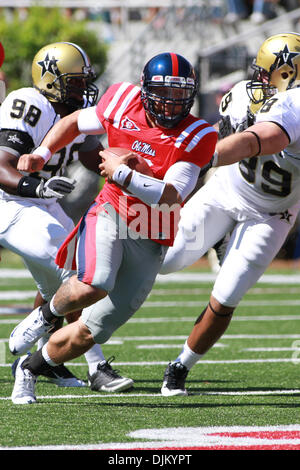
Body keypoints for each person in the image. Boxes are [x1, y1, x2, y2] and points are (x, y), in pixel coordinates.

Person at [9, 52, 218, 404]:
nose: (171, 105)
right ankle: (43, 317)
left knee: (92, 332)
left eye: (180, 96)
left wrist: (123, 172)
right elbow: (75, 122)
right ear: (145, 91)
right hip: (113, 209)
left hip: (154, 229)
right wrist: (43, 153)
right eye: (164, 96)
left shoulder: (199, 134)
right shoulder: (122, 100)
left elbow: (171, 195)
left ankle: (30, 368)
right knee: (95, 281)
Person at [159, 32, 300, 396]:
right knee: (164, 258)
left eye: (266, 71)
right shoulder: (244, 94)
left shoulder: (294, 104)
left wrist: (207, 157)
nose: (260, 77)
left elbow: (261, 139)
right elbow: (229, 133)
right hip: (226, 190)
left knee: (226, 296)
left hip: (271, 214)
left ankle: (180, 367)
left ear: (286, 73)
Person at [1, 41, 133, 394]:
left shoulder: (70, 112)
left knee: (56, 287)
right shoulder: (29, 102)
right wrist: (37, 189)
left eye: (83, 81)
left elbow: (95, 157)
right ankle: (96, 367)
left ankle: (41, 360)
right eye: (74, 82)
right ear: (49, 80)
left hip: (39, 202)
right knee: (80, 274)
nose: (82, 89)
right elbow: (1, 166)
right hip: (10, 201)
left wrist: (132, 169)